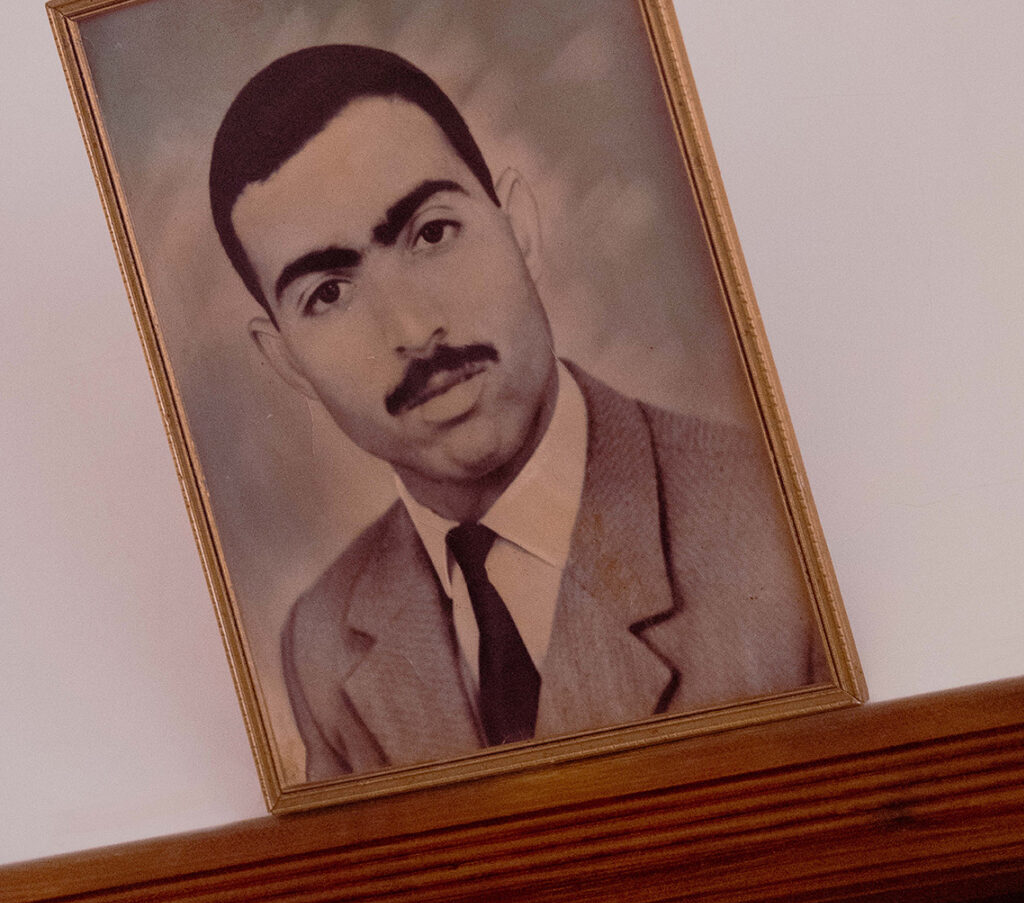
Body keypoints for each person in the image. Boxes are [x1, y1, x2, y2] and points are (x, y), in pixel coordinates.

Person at [209, 44, 824, 780]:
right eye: (329, 294)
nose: (410, 328)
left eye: (431, 233)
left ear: (520, 229)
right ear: (285, 362)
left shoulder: (774, 516)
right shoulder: (323, 638)